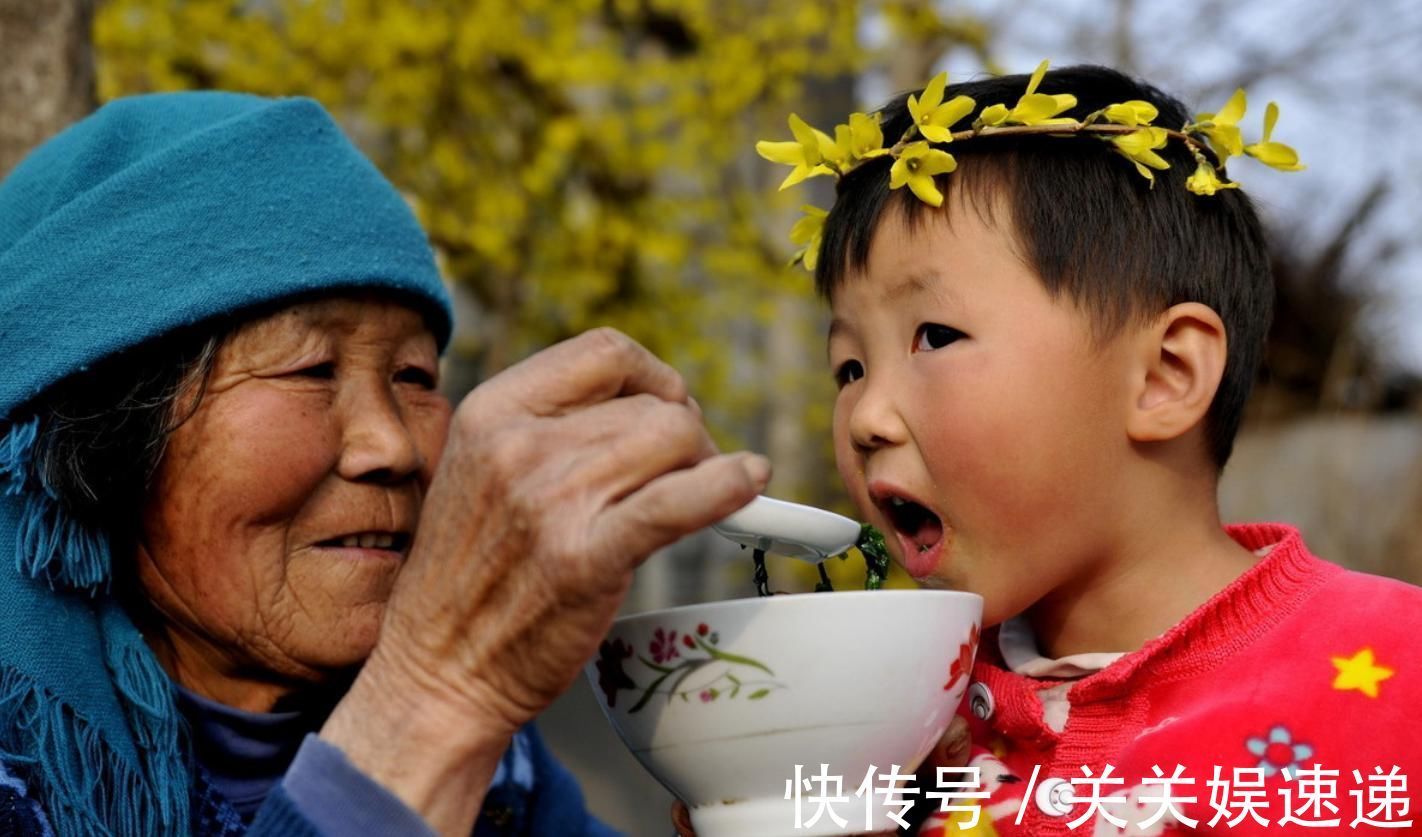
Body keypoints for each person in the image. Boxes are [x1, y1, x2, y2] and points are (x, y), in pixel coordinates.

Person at [0, 91, 772, 836]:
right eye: (310, 369)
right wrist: (432, 704)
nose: (393, 446)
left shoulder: (505, 776)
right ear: (100, 435)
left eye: (414, 377)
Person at [762, 64, 1422, 835]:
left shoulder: (1400, 675)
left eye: (934, 336)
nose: (866, 416)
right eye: (849, 367)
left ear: (1165, 375)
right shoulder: (888, 725)